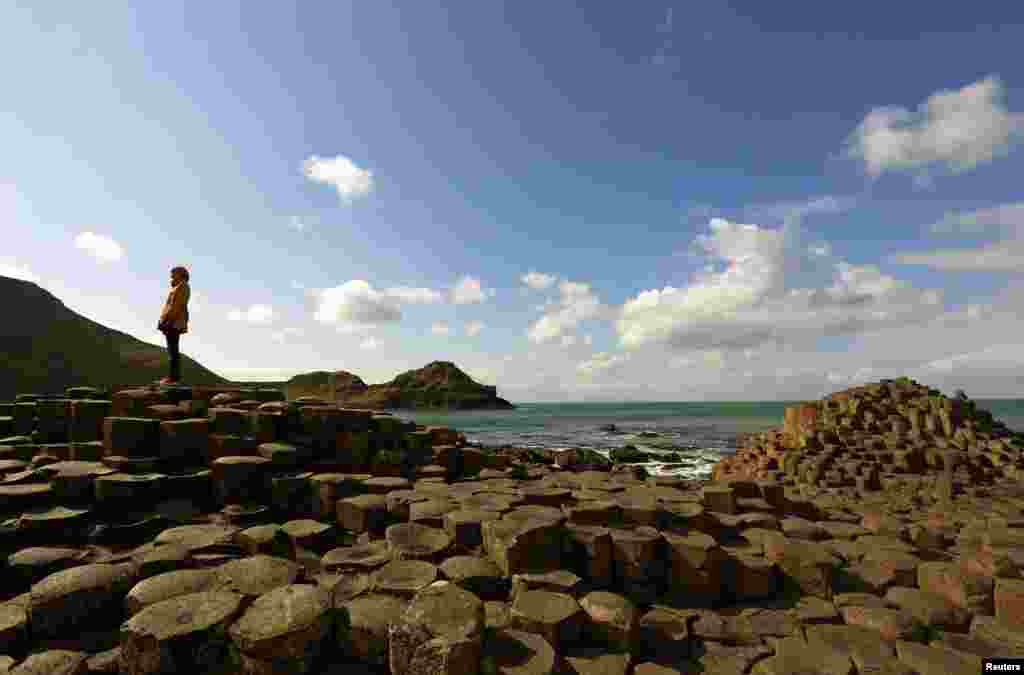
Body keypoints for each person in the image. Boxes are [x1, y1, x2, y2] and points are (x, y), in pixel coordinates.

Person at [157, 266, 191, 384]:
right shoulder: (179, 286)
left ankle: (173, 378)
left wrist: (167, 320)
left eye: (173, 273)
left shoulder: (182, 286)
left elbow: (176, 306)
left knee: (173, 350)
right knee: (172, 350)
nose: (171, 276)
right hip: (172, 320)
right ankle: (172, 377)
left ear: (180, 274)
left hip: (173, 322)